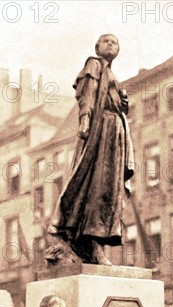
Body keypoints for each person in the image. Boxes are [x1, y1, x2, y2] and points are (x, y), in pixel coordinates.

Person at [48, 34, 134, 266]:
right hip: (102, 130)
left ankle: (95, 247)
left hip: (115, 132)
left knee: (110, 189)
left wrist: (122, 103)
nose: (111, 44)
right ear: (97, 47)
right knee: (97, 187)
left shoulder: (112, 74)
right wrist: (85, 120)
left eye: (115, 42)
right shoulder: (94, 64)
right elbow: (87, 93)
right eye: (106, 41)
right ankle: (93, 246)